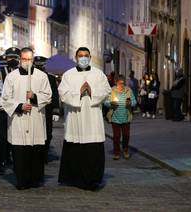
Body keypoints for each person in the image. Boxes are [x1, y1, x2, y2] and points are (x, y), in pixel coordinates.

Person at [58, 47, 111, 191]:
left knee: (93, 152)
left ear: (90, 57)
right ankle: (75, 179)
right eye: (80, 55)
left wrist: (93, 92)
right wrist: (79, 92)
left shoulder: (98, 74)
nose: (83, 58)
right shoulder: (68, 75)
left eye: (86, 55)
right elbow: (63, 94)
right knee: (76, 149)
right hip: (75, 117)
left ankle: (93, 180)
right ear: (76, 57)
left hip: (93, 117)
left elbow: (107, 92)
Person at [2, 47, 52, 190]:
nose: (27, 62)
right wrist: (19, 106)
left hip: (35, 119)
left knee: (35, 153)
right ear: (19, 59)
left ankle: (35, 180)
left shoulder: (42, 76)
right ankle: (22, 181)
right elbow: (5, 98)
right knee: (20, 153)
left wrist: (35, 97)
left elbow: (48, 96)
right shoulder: (12, 77)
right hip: (19, 120)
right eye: (24, 59)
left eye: (29, 59)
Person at [33, 56, 59, 163]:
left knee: (47, 133)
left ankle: (44, 154)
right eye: (37, 65)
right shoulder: (31, 77)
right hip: (35, 109)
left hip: (47, 109)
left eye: (41, 65)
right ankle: (36, 155)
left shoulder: (51, 78)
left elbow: (54, 95)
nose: (39, 67)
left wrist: (55, 110)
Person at [105, 75, 137, 160]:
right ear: (116, 83)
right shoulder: (112, 91)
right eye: (120, 83)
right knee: (116, 136)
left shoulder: (128, 90)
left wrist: (131, 103)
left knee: (126, 136)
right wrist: (111, 103)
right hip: (115, 118)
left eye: (123, 83)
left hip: (126, 117)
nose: (121, 85)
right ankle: (116, 152)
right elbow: (105, 102)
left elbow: (134, 101)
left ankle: (125, 150)